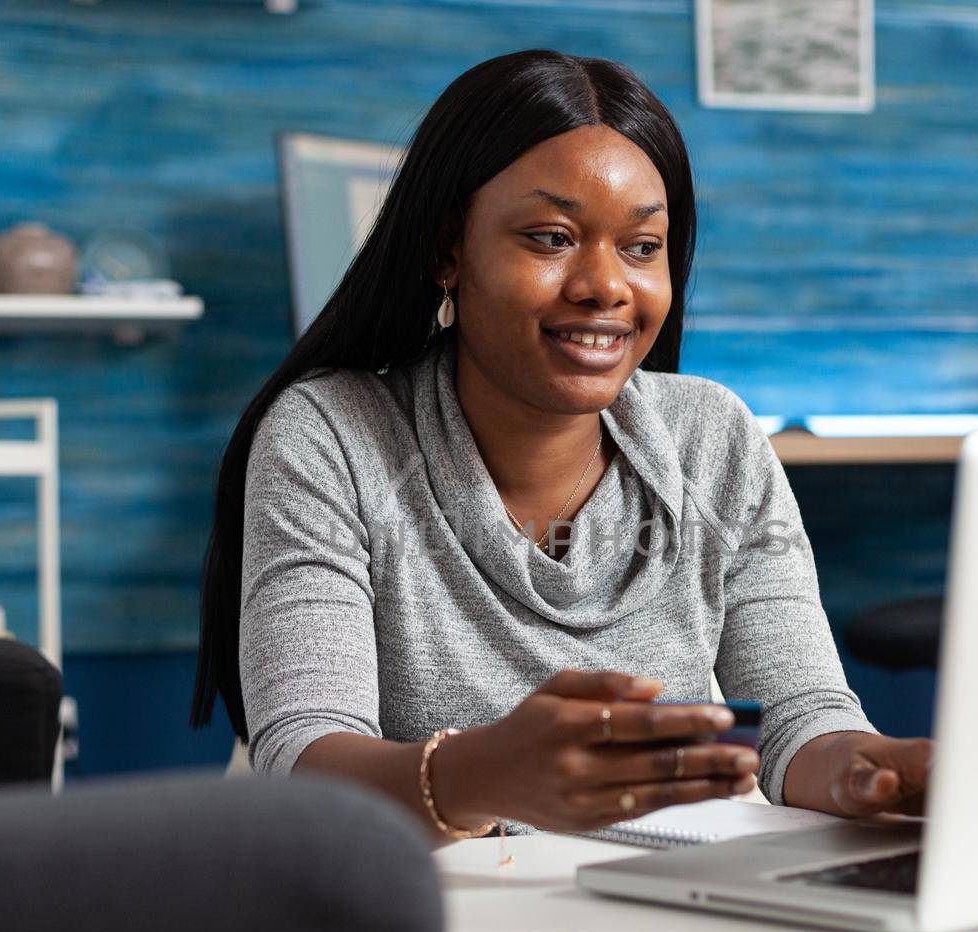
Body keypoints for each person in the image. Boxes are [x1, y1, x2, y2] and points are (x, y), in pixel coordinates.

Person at [192, 49, 931, 846]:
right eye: (551, 237)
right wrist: (483, 773)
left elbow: (801, 720)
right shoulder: (330, 434)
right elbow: (302, 758)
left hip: (654, 913)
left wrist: (875, 769)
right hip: (423, 922)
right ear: (449, 251)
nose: (605, 285)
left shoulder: (713, 436)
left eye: (642, 248)